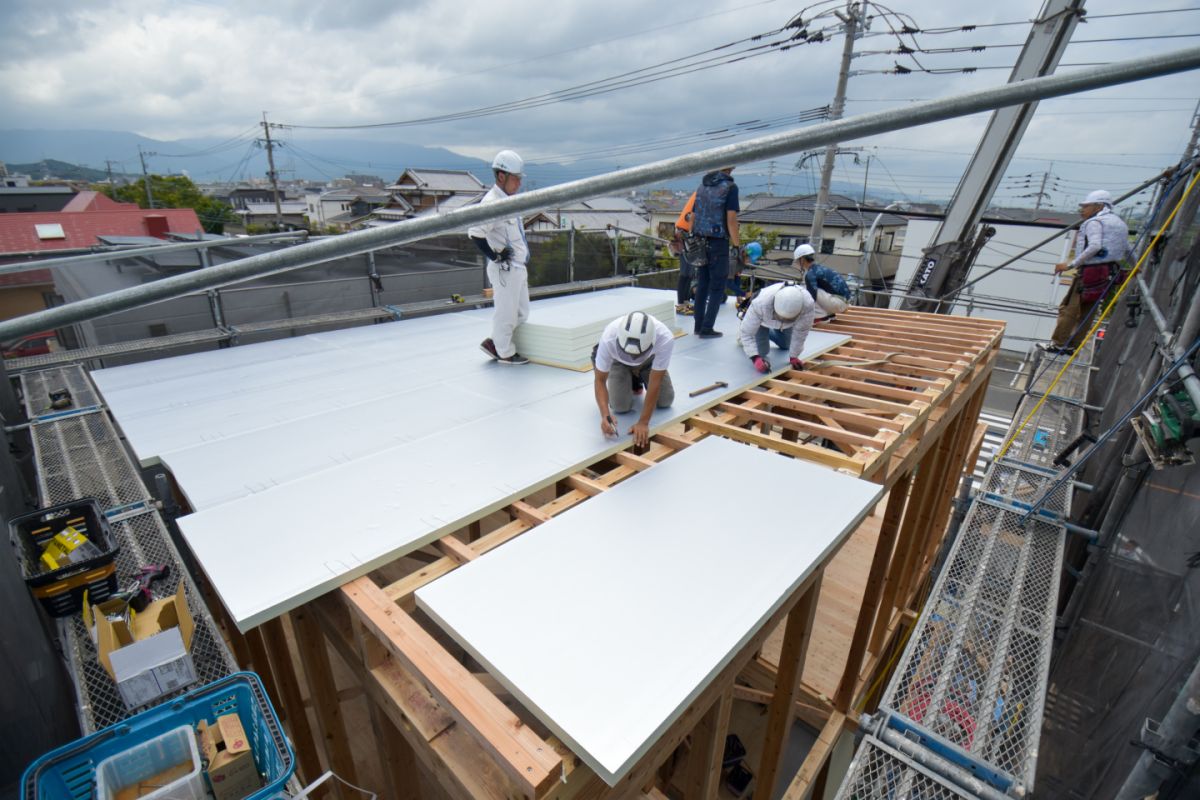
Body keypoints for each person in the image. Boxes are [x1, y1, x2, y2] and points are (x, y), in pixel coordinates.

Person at [1045, 189, 1131, 353]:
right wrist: (1134, 266)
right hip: (1107, 274)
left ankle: (1058, 344)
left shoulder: (1095, 223)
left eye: (1086, 206)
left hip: (1089, 273)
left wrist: (1070, 265)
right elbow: (1126, 247)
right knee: (1087, 312)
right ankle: (1073, 345)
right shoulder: (1120, 223)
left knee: (1069, 309)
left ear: (1098, 206)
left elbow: (1095, 246)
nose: (1082, 210)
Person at [469, 149, 531, 365]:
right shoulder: (492, 203)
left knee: (522, 312)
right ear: (501, 176)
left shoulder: (509, 200)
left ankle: (495, 343)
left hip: (517, 267)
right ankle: (504, 352)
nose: (519, 184)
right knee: (507, 313)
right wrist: (495, 256)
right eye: (515, 179)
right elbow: (476, 233)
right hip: (506, 268)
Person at [593, 311, 676, 449]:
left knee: (666, 400)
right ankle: (628, 376)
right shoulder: (609, 338)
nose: (633, 358)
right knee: (620, 407)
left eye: (637, 355)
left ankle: (638, 376)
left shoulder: (665, 337)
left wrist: (643, 422)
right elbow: (600, 380)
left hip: (649, 362)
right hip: (619, 362)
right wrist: (605, 415)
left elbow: (655, 381)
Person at [689, 166, 740, 338]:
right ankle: (707, 328)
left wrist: (691, 236)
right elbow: (731, 218)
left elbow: (694, 214)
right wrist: (737, 244)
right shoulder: (730, 187)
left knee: (702, 284)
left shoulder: (702, 186)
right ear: (729, 168)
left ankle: (698, 326)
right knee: (717, 286)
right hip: (718, 242)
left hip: (699, 239)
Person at [738, 283, 817, 374]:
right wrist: (755, 357)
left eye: (788, 319)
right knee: (762, 351)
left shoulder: (808, 306)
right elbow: (747, 333)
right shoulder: (760, 304)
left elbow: (801, 332)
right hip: (762, 321)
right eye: (782, 317)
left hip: (784, 325)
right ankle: (746, 328)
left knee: (786, 345)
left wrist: (794, 356)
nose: (784, 320)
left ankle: (763, 332)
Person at [793, 243, 851, 319]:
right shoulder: (819, 269)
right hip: (843, 302)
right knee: (813, 290)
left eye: (797, 261)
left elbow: (811, 298)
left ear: (802, 259)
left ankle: (820, 317)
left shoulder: (811, 274)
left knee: (806, 291)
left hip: (839, 303)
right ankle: (829, 314)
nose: (797, 263)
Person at [672, 192, 697, 315]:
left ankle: (685, 302)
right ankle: (681, 304)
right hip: (685, 235)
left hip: (687, 235)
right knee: (685, 272)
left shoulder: (701, 194)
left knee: (689, 273)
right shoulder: (702, 196)